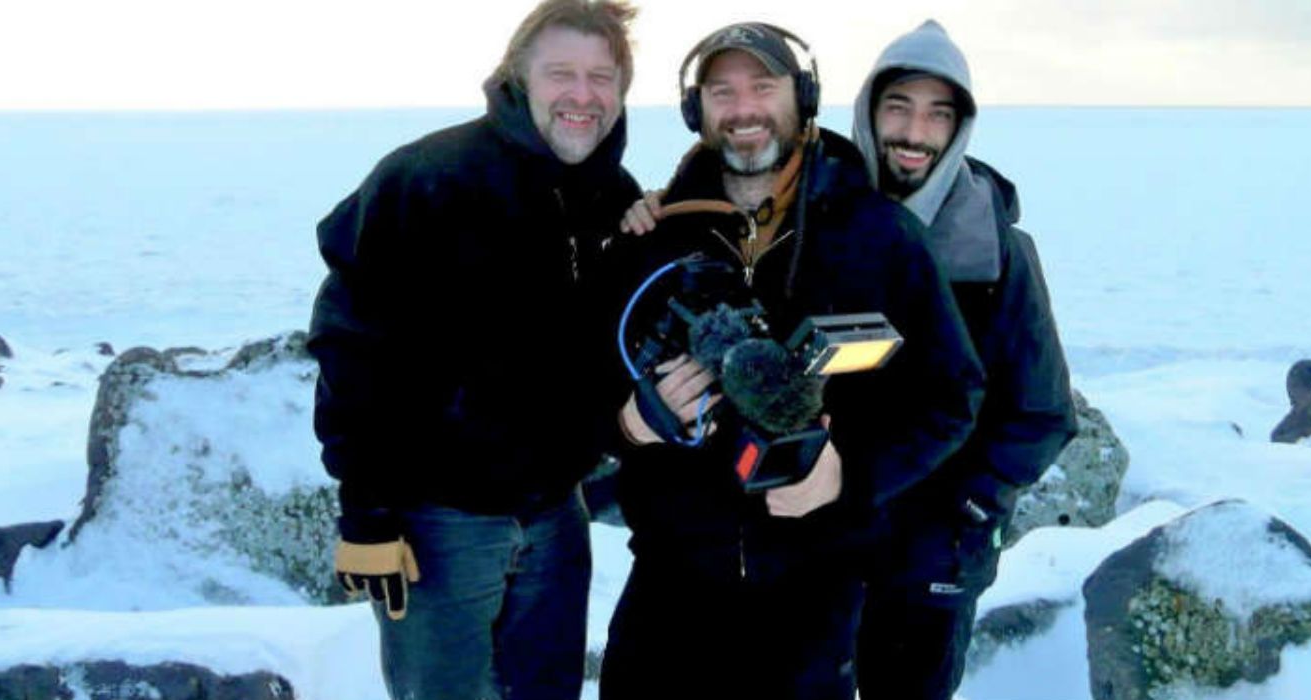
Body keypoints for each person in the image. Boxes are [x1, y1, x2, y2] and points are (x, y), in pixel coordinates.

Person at [600, 22, 984, 700]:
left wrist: (850, 476)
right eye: (723, 91)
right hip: (668, 589)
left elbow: (952, 395)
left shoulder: (881, 235)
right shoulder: (651, 235)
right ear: (698, 110)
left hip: (814, 595)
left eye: (763, 86)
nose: (744, 109)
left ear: (802, 96)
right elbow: (578, 388)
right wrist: (630, 424)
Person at [305, 2, 641, 698]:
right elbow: (351, 348)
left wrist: (648, 234)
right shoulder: (427, 177)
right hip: (440, 528)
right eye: (561, 74)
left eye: (600, 77)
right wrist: (366, 512)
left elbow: (616, 345)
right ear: (518, 78)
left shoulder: (611, 197)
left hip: (556, 516)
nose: (582, 95)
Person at [849, 20, 1079, 700]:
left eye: (937, 114)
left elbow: (1042, 412)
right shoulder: (827, 219)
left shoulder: (998, 252)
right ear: (869, 111)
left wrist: (969, 510)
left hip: (936, 551)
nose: (915, 133)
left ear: (959, 128)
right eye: (899, 108)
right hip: (828, 540)